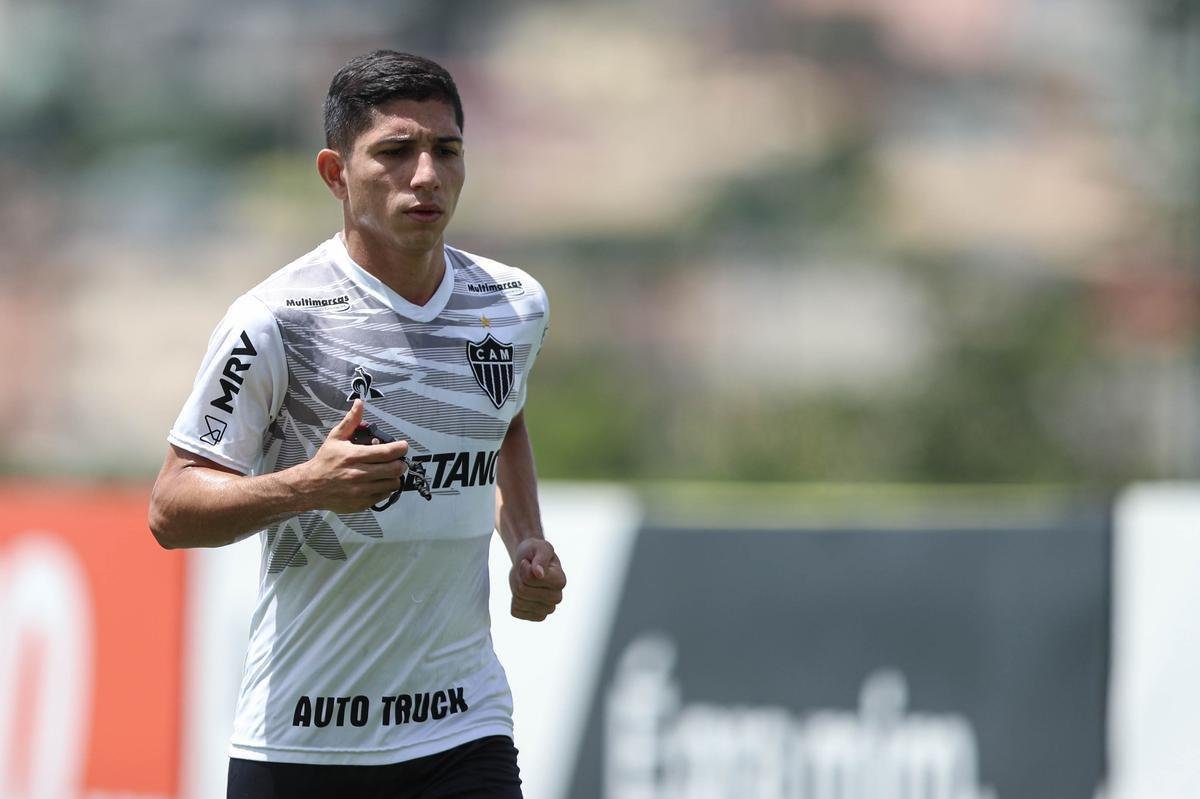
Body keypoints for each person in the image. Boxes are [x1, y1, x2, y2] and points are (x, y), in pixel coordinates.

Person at [148, 50, 565, 798]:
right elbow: (172, 508)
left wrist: (526, 537)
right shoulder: (275, 321)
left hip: (461, 728)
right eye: (396, 153)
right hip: (304, 742)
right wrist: (306, 486)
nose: (427, 175)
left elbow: (502, 420)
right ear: (336, 174)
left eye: (446, 150)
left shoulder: (512, 303)